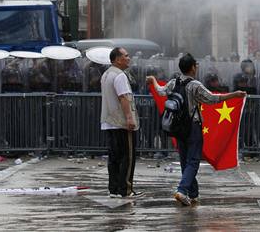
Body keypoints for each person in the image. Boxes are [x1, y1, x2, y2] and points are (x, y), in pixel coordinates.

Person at [147, 53, 246, 206]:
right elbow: (212, 99)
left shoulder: (173, 83)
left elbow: (160, 91)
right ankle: (182, 190)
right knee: (193, 161)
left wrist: (153, 80)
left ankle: (193, 194)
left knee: (185, 161)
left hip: (177, 127)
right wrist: (234, 95)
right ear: (193, 67)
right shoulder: (195, 85)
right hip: (193, 127)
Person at [100, 47, 143, 198]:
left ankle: (114, 189)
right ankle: (125, 189)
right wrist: (129, 118)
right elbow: (124, 97)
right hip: (121, 122)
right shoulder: (120, 76)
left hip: (108, 121)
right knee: (127, 156)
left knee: (114, 157)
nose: (129, 58)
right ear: (117, 59)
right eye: (126, 55)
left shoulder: (106, 74)